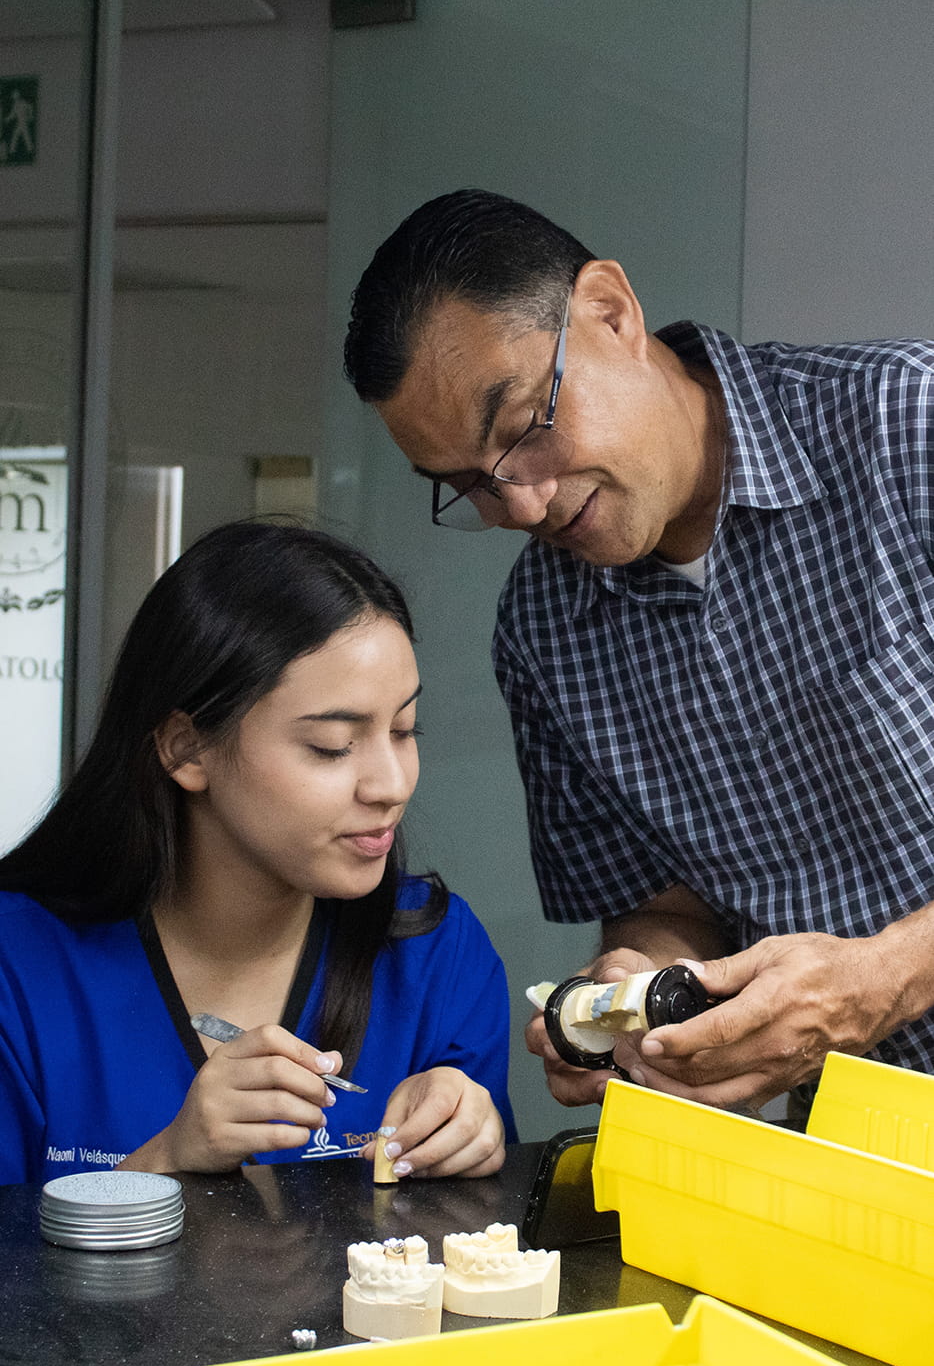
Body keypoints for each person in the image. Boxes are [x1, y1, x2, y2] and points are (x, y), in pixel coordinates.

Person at [343, 187, 934, 1122]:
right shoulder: (543, 627)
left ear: (610, 311)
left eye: (523, 427)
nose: (523, 505)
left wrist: (888, 974)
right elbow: (670, 904)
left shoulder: (909, 427)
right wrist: (638, 988)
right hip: (853, 1158)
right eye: (470, 486)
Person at [0, 520, 516, 1185]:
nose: (391, 785)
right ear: (187, 749)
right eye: (332, 746)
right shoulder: (20, 966)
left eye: (404, 730)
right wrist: (165, 1160)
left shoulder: (436, 956)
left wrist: (472, 1142)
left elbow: (497, 1240)